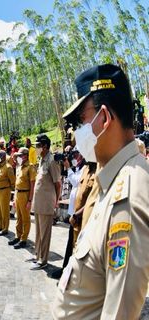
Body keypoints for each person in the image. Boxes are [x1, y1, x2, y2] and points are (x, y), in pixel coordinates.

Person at [52, 64, 149, 319]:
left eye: (80, 121)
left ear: (104, 119)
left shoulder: (126, 196)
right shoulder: (112, 180)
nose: (75, 132)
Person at [28, 134, 61, 270]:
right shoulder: (42, 160)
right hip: (39, 203)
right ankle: (38, 256)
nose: (36, 148)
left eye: (38, 146)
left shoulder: (51, 161)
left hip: (47, 203)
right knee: (38, 233)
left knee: (45, 233)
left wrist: (56, 202)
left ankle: (43, 260)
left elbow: (57, 184)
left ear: (45, 146)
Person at [8, 147, 36, 249]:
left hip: (25, 194)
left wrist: (30, 200)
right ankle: (18, 236)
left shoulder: (30, 167)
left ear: (25, 156)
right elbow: (16, 184)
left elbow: (32, 185)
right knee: (18, 217)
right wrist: (14, 198)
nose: (18, 157)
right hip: (18, 194)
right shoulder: (19, 167)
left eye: (20, 155)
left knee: (25, 218)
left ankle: (24, 239)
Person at [0, 150, 15, 235]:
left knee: (4, 210)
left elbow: (12, 181)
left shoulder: (8, 167)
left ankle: (5, 228)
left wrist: (10, 189)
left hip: (4, 191)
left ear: (3, 157)